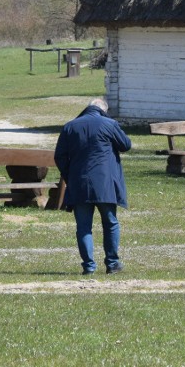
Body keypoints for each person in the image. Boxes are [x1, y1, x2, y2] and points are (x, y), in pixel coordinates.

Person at [54, 98, 132, 275]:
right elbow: (126, 145)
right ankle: (112, 264)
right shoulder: (109, 124)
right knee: (110, 223)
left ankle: (89, 266)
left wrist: (70, 176)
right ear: (103, 110)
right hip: (105, 183)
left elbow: (59, 156)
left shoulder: (70, 126)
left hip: (79, 183)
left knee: (83, 227)